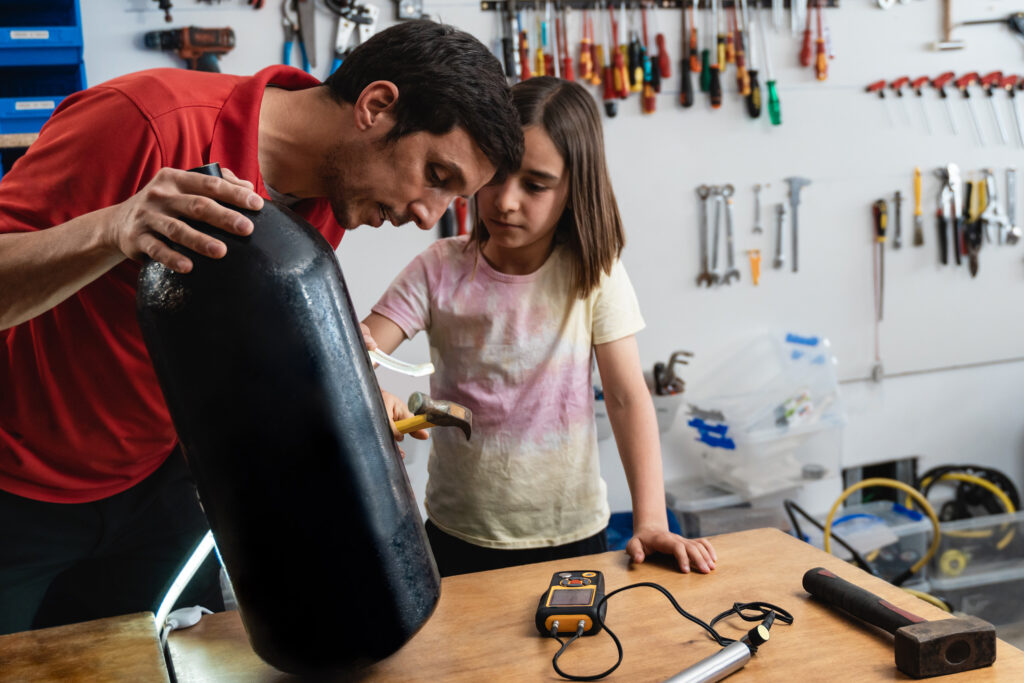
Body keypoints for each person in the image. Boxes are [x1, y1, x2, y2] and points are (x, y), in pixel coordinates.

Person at [0, 19, 522, 635]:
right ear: (376, 106)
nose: (428, 217)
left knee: (167, 663)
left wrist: (335, 384)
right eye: (436, 175)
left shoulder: (328, 202)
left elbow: (228, 350)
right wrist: (112, 228)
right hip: (19, 488)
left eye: (452, 200)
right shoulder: (146, 122)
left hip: (158, 485)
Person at [363, 77, 717, 577]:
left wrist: (652, 521)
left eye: (535, 185)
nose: (506, 200)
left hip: (573, 536)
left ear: (574, 190)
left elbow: (625, 397)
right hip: (456, 535)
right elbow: (353, 354)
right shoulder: (438, 268)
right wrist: (372, 390)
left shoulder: (595, 272)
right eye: (497, 175)